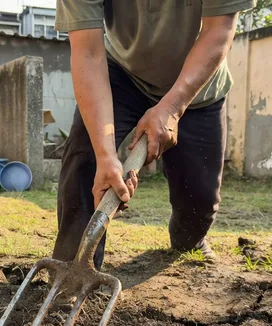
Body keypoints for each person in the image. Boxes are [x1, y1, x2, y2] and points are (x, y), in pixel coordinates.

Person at [52, 0, 255, 272]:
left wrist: (171, 107)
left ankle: (190, 241)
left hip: (198, 88)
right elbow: (87, 51)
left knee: (199, 203)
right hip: (121, 74)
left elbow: (219, 30)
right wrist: (105, 156)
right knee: (84, 160)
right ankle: (74, 267)